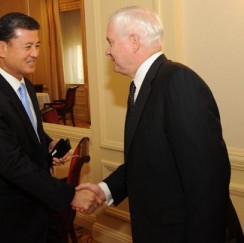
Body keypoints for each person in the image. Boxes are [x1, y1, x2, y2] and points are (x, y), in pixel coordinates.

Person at [75, 6, 244, 243]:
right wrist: (105, 190)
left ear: (134, 41)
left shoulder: (178, 82)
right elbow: (146, 161)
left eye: (110, 42)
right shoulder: (141, 86)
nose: (107, 51)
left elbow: (207, 181)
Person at [0, 12, 101, 243]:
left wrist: (46, 143)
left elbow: (28, 130)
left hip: (38, 208)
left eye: (37, 45)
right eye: (28, 46)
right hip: (7, 220)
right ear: (1, 48)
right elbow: (12, 164)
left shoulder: (26, 86)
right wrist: (69, 196)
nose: (36, 54)